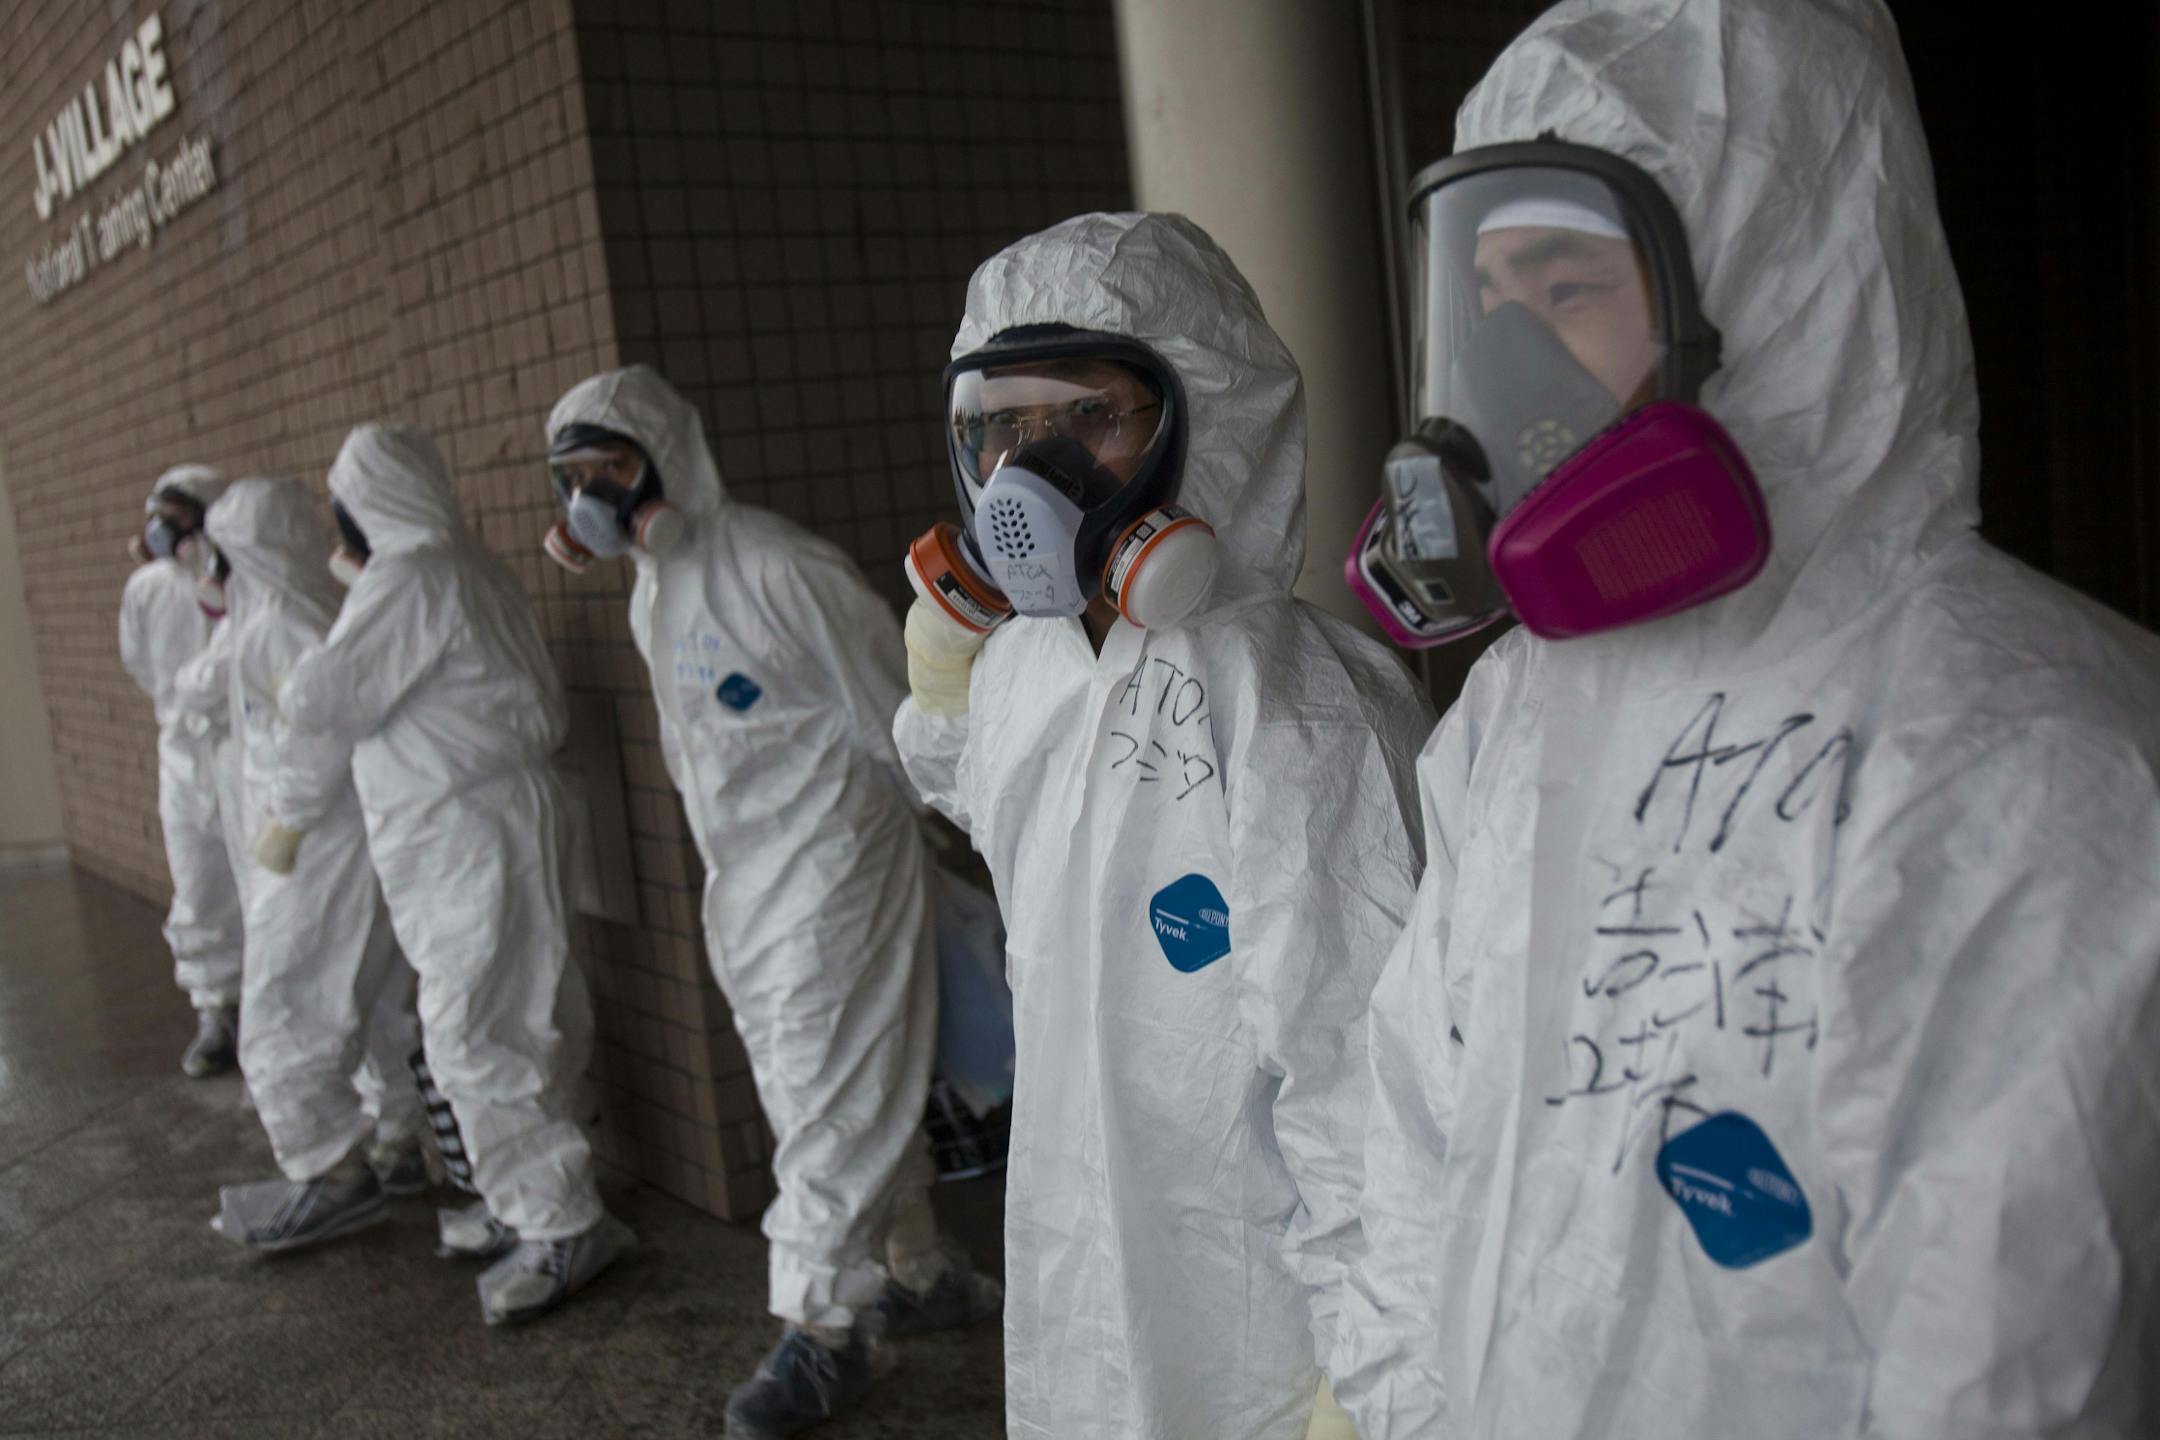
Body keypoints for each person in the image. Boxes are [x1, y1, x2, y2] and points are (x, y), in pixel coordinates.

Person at [1334, 1, 2160, 1435]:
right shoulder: (1517, 718)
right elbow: (1416, 1145)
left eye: (1569, 290)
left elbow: (2005, 1378)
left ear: (1780, 297)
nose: (1507, 375)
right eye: (1486, 307)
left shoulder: (2028, 757)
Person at [892, 211, 1433, 1440]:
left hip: (1262, 1309)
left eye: (1088, 417)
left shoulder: (1296, 700)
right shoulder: (1029, 663)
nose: (1037, 470)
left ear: (1205, 419)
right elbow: (996, 805)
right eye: (1004, 428)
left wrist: (1371, 1373)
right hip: (1080, 1240)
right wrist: (938, 684)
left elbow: (1368, 1077)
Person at [541, 366, 997, 1438]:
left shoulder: (781, 568)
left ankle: (825, 1331)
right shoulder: (655, 589)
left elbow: (901, 713)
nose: (590, 498)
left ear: (662, 459)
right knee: (814, 1089)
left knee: (833, 1092)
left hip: (837, 867)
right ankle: (916, 1268)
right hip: (745, 879)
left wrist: (960, 841)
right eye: (570, 479)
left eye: (607, 468)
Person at [269, 422, 629, 1324]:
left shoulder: (411, 577)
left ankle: (559, 1222)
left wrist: (288, 816)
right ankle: (531, 1199)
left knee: (476, 1028)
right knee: (529, 1009)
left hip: (466, 834)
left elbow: (324, 699)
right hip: (490, 822)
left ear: (366, 503)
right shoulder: (458, 565)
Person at [162, 477, 427, 1249]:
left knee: (285, 1008)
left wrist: (288, 823)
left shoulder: (285, 624)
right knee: (370, 1004)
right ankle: (397, 1141)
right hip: (320, 844)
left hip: (315, 850)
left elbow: (316, 734)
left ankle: (330, 1172)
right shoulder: (282, 616)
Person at [118, 464, 246, 1076]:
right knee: (198, 884)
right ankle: (217, 1011)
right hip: (182, 754)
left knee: (261, 878)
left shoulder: (242, 580)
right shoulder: (147, 589)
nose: (164, 530)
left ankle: (271, 1011)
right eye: (159, 516)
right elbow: (142, 665)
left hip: (240, 750)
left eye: (178, 516)